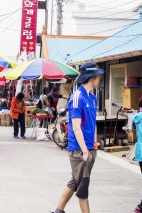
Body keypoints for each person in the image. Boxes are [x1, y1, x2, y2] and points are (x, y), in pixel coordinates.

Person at [51, 62, 103, 213]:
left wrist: (94, 143)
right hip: (79, 149)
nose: (99, 79)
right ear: (92, 77)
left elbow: (92, 122)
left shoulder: (92, 97)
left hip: (89, 147)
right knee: (82, 187)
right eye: (98, 76)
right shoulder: (77, 97)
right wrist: (85, 150)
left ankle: (59, 210)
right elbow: (76, 126)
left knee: (75, 181)